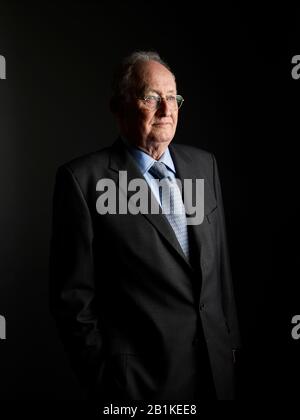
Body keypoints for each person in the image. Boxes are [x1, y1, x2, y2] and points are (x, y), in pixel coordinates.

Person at [49, 51, 241, 401]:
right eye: (151, 97)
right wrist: (107, 383)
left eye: (172, 98)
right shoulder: (82, 181)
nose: (166, 110)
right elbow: (73, 299)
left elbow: (220, 272)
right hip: (140, 388)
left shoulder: (203, 165)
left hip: (216, 377)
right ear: (118, 106)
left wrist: (231, 349)